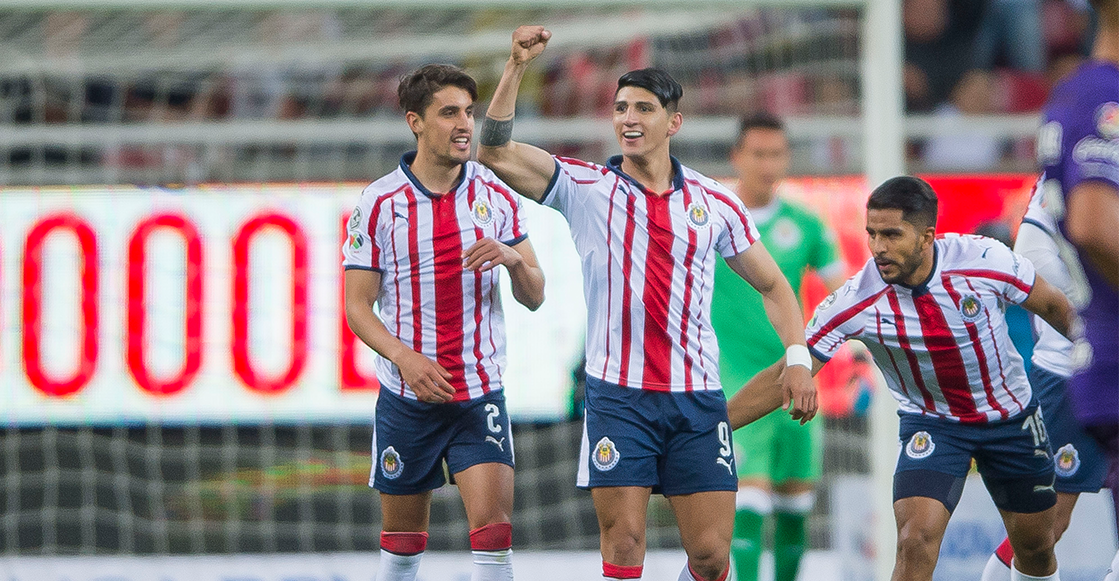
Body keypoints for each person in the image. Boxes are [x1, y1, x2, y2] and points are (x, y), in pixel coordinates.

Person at [477, 26, 816, 581]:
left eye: (643, 108)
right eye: (620, 109)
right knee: (624, 543)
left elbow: (775, 286)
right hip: (618, 396)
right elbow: (494, 151)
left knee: (712, 558)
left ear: (673, 122)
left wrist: (797, 357)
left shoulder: (715, 202)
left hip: (696, 398)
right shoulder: (585, 187)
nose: (628, 119)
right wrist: (515, 66)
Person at [727, 176, 1079, 581]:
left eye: (892, 235)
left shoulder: (985, 260)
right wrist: (710, 427)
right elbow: (788, 372)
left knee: (1037, 547)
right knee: (915, 541)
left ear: (927, 236)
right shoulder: (857, 299)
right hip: (933, 424)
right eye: (872, 234)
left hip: (1010, 417)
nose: (878, 247)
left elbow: (1055, 307)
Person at [342, 63, 545, 581]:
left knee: (494, 535)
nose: (464, 125)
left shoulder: (495, 194)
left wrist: (514, 261)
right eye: (449, 113)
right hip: (407, 398)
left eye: (469, 113)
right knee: (403, 546)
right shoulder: (380, 203)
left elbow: (535, 296)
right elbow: (357, 306)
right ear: (415, 122)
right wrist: (404, 358)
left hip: (478, 392)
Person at [710, 113, 847, 581]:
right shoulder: (713, 218)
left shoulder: (806, 224)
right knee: (747, 501)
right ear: (737, 157)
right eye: (758, 154)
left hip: (795, 376)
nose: (768, 165)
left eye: (776, 154)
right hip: (735, 380)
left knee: (795, 508)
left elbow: (842, 293)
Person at [976, 182, 1109, 579]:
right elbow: (1033, 253)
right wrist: (1096, 318)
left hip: (1098, 365)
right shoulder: (1079, 162)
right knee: (1042, 530)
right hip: (1072, 372)